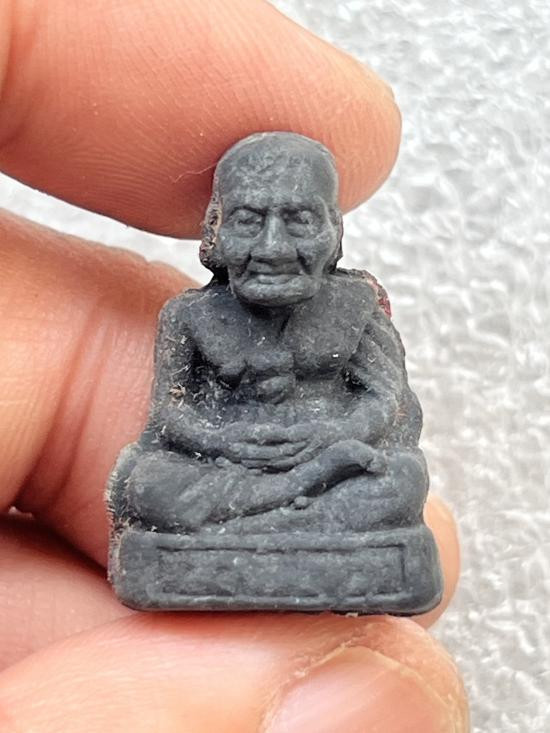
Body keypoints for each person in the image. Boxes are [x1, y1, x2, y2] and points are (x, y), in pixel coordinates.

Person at [0, 1, 467, 730]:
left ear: (333, 231)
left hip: (329, 454)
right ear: (215, 231)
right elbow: (170, 418)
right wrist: (235, 446)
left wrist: (329, 438)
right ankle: (294, 505)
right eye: (250, 220)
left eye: (298, 220)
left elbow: (391, 407)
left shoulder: (355, 306)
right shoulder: (190, 317)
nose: (274, 246)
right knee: (146, 485)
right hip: (237, 460)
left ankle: (282, 510)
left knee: (400, 480)